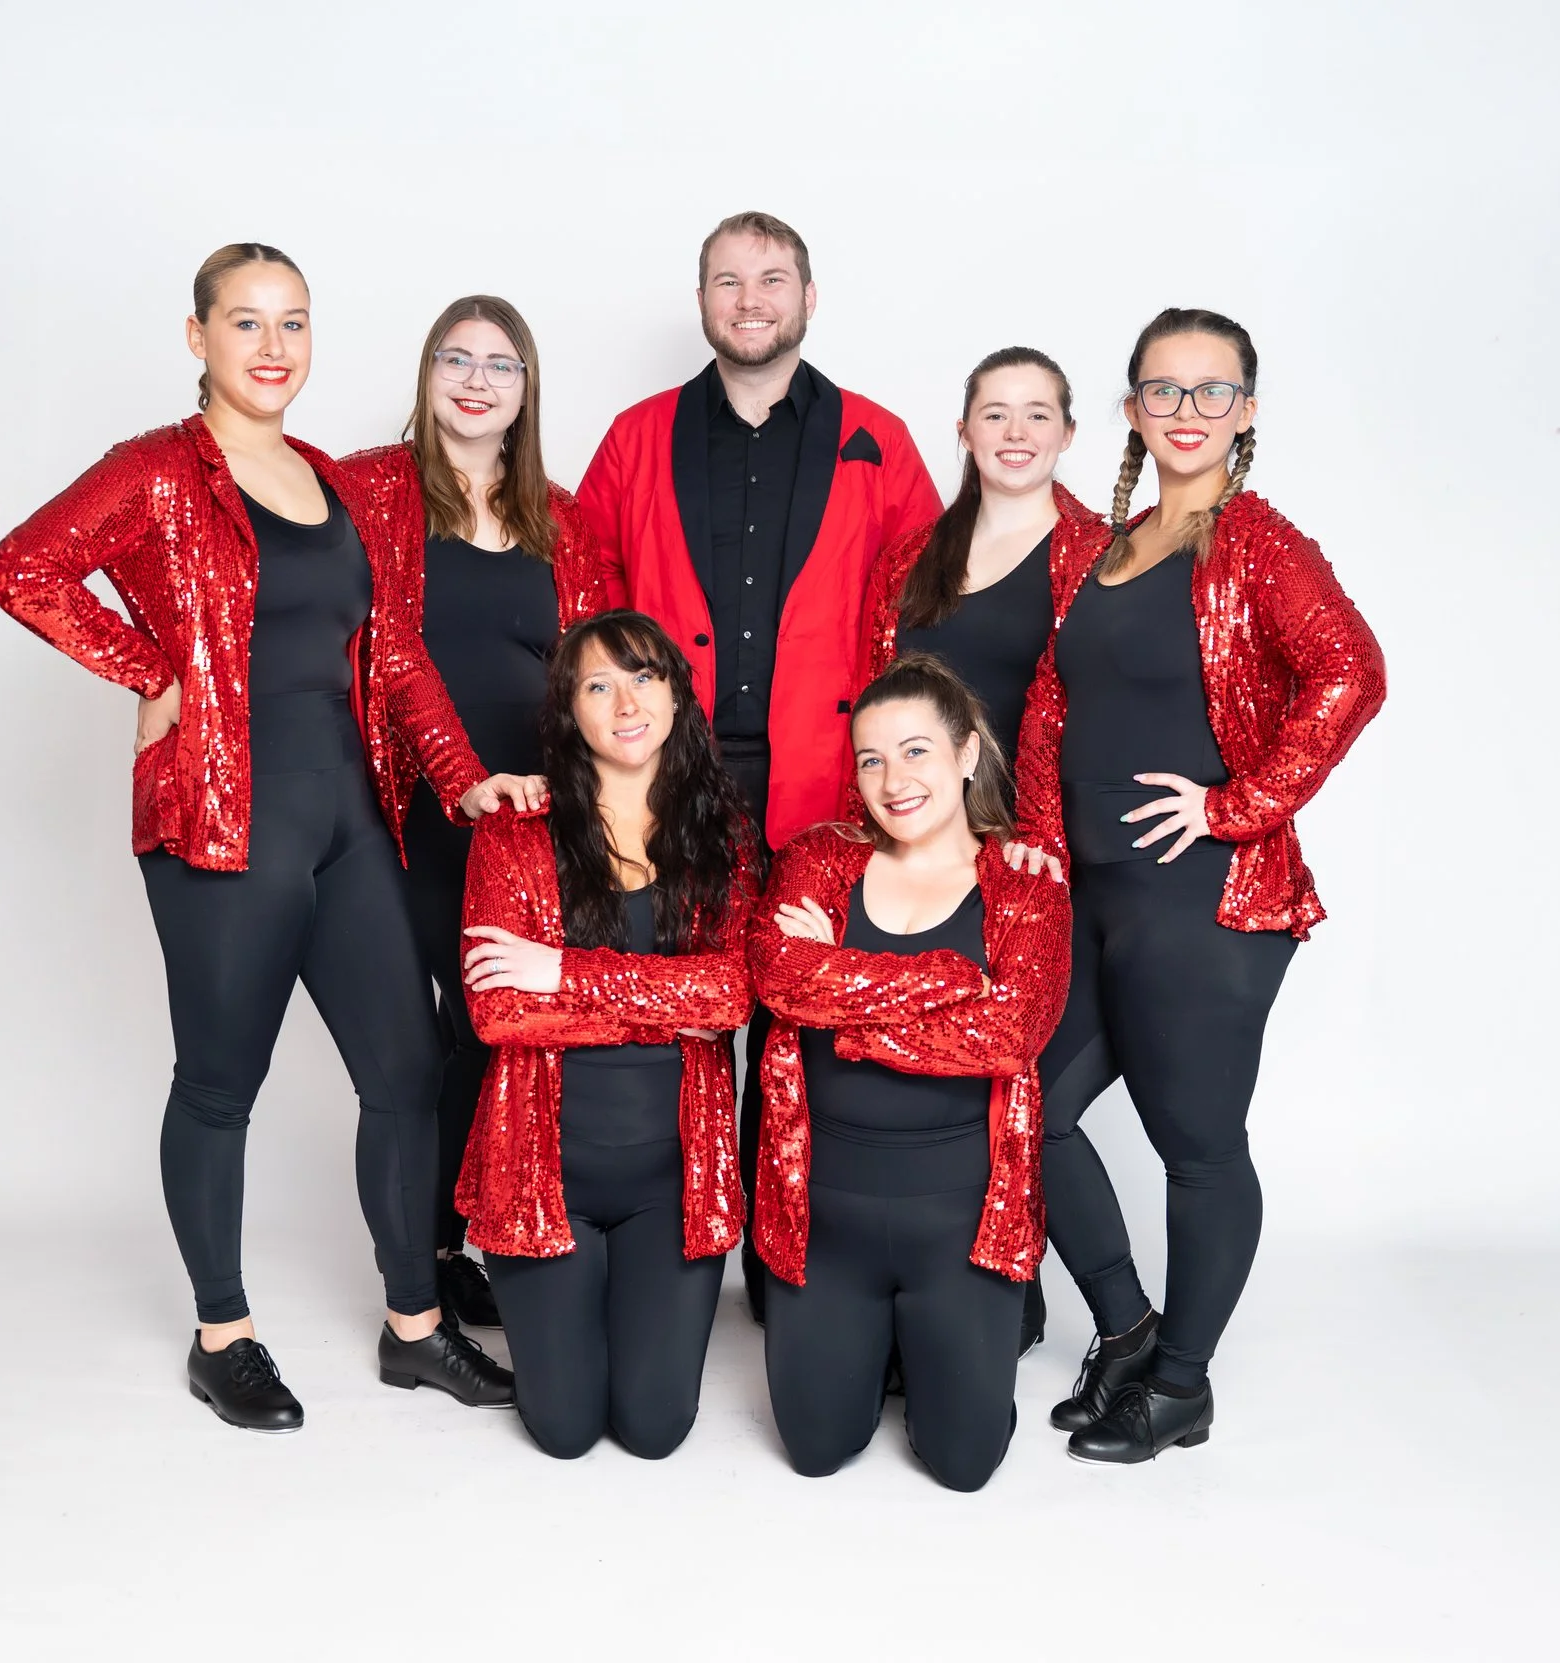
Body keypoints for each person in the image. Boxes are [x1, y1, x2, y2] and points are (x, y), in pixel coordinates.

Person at [0, 243, 520, 1432]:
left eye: (294, 323)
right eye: (246, 323)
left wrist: (462, 778)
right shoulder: (157, 471)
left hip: (345, 814)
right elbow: (22, 567)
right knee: (222, 1082)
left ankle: (414, 1326)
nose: (273, 348)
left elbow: (393, 652)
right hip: (222, 817)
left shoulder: (328, 479)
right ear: (199, 338)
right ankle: (221, 1335)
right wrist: (149, 669)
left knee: (406, 1069)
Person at [1013, 307, 1386, 1463]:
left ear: (1246, 410)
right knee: (1024, 1106)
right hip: (1094, 896)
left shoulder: (1259, 542)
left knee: (1198, 1145)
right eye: (1163, 391)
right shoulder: (1107, 546)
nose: (1186, 411)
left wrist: (1234, 807)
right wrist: (1041, 845)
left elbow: (1351, 670)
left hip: (1202, 903)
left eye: (1210, 390)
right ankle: (1128, 1330)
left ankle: (1180, 1385)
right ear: (1131, 409)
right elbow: (1053, 703)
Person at [576, 208, 942, 1317]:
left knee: (805, 1030)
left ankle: (792, 1267)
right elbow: (587, 602)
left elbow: (929, 607)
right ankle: (674, 1252)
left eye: (772, 279)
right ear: (701, 301)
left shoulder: (877, 438)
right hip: (665, 784)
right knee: (674, 1019)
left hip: (828, 786)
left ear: (808, 298)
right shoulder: (635, 437)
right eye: (728, 280)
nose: (750, 299)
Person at [333, 294, 617, 1331]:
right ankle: (409, 1281)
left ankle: (446, 1245)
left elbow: (598, 670)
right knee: (408, 1051)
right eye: (456, 358)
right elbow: (367, 636)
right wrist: (173, 672)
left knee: (489, 1037)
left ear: (526, 390)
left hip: (525, 822)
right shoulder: (368, 487)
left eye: (501, 365)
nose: (476, 380)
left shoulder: (564, 519)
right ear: (427, 372)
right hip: (398, 809)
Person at [747, 654, 1071, 1490]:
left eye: (916, 750)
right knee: (816, 1450)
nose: (893, 781)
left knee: (965, 1465)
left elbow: (1010, 1033)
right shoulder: (819, 858)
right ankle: (879, 1347)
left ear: (967, 753)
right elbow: (780, 976)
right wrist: (955, 980)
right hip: (827, 1217)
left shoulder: (1025, 884)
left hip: (958, 1223)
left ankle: (947, 1343)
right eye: (871, 759)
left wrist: (844, 1006)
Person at [849, 345, 1111, 1353]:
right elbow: (876, 702)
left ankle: (1016, 1281)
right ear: (962, 430)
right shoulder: (914, 554)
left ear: (1068, 434)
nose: (1015, 432)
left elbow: (1097, 707)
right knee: (924, 1063)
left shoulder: (1098, 555)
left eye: (1037, 413)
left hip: (1030, 855)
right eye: (994, 412)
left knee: (1012, 1067)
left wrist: (1039, 837)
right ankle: (927, 1287)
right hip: (918, 843)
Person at [455, 612, 761, 1459]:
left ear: (676, 695)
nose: (627, 703)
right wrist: (669, 1001)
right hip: (544, 1175)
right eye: (599, 685)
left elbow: (732, 993)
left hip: (673, 1181)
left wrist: (561, 972)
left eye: (644, 677)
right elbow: (497, 1012)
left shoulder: (724, 832)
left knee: (655, 1427)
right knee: (564, 1429)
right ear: (569, 710)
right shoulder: (516, 830)